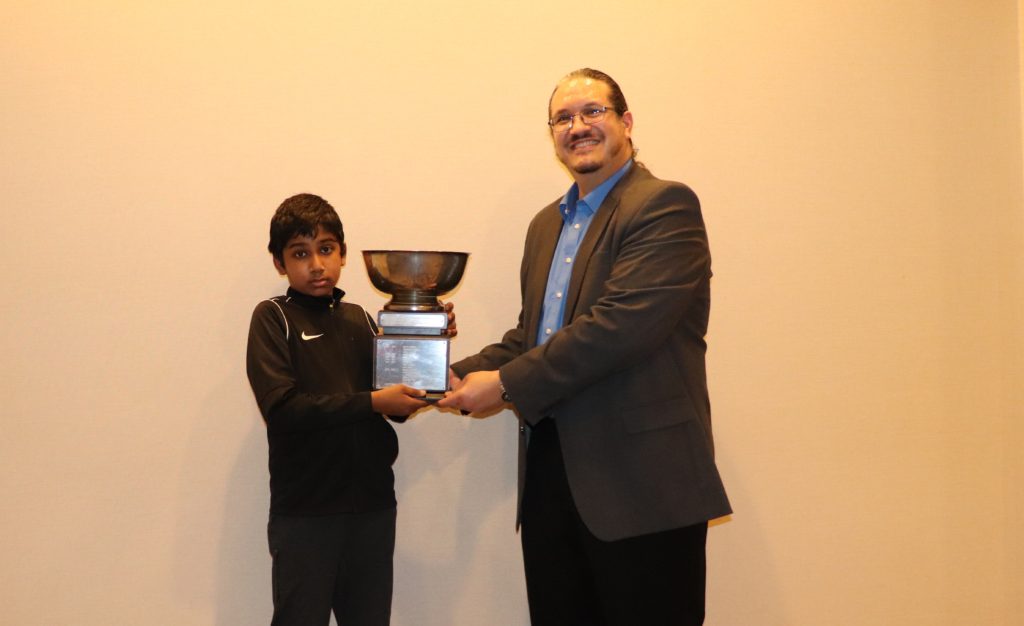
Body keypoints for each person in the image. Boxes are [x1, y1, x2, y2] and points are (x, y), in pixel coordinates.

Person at [438, 69, 731, 625]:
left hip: (644, 488)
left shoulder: (664, 206)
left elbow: (617, 328)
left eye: (592, 112)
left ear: (625, 121)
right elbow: (532, 339)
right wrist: (442, 374)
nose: (578, 127)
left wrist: (501, 385)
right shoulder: (545, 226)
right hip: (551, 482)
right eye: (563, 118)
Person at [246, 193, 446, 625]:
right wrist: (372, 402)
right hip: (306, 513)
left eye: (326, 249)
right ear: (280, 263)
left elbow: (399, 406)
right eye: (300, 254)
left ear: (343, 254)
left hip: (373, 509)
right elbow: (283, 408)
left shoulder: (361, 319)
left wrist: (427, 336)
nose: (316, 264)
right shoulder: (272, 318)